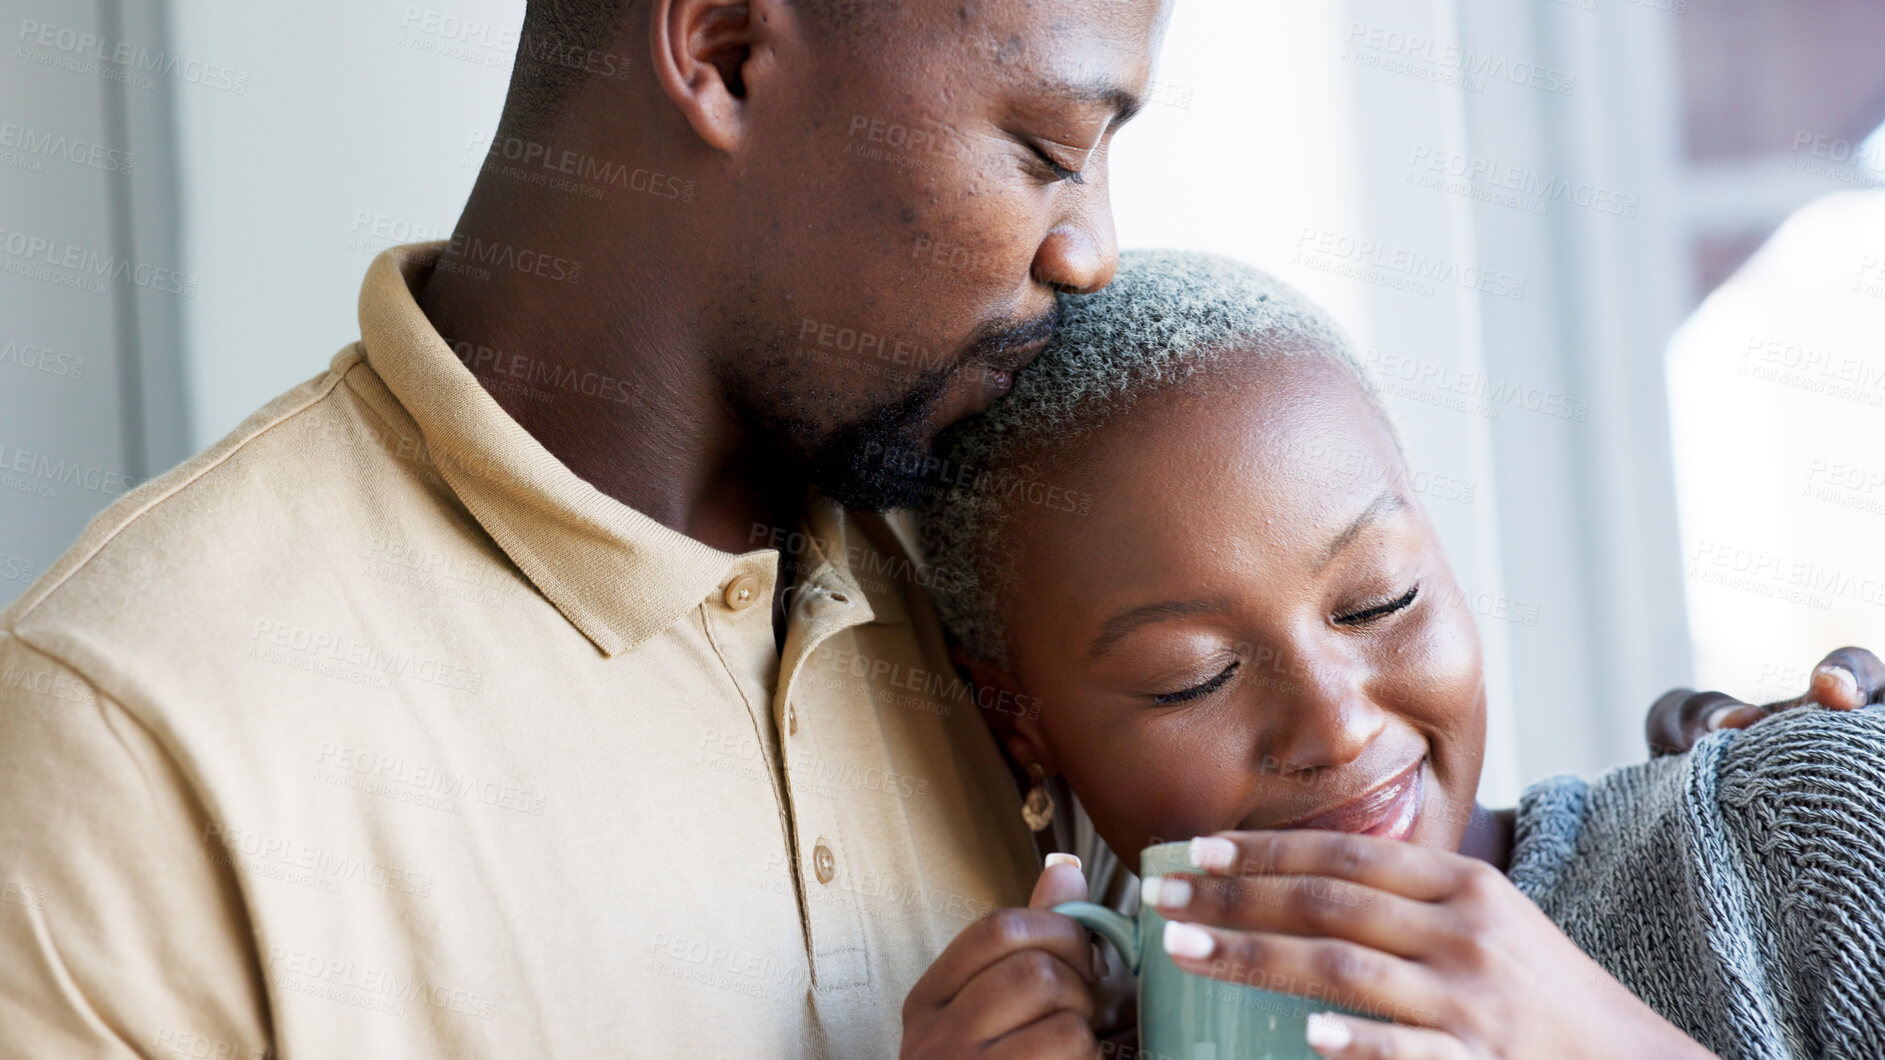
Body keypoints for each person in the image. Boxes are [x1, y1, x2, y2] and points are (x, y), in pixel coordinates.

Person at [0, 1, 1170, 1056]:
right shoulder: (127, 731)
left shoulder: (1034, 573)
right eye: (1050, 152)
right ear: (724, 54)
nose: (1091, 251)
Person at [904, 249, 1885, 1058]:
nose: (1336, 722)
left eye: (1381, 597)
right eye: (1192, 677)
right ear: (1020, 723)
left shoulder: (1793, 831)